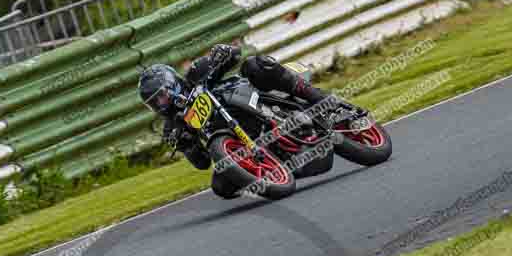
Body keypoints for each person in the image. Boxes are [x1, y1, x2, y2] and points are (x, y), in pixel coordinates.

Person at [138, 44, 366, 171]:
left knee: (254, 65)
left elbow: (234, 53)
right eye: (155, 103)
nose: (161, 104)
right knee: (221, 187)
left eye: (162, 96)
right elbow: (203, 163)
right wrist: (187, 146)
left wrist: (223, 53)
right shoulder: (173, 127)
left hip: (251, 94)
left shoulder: (196, 73)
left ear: (172, 84)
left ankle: (329, 103)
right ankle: (274, 169)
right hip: (241, 143)